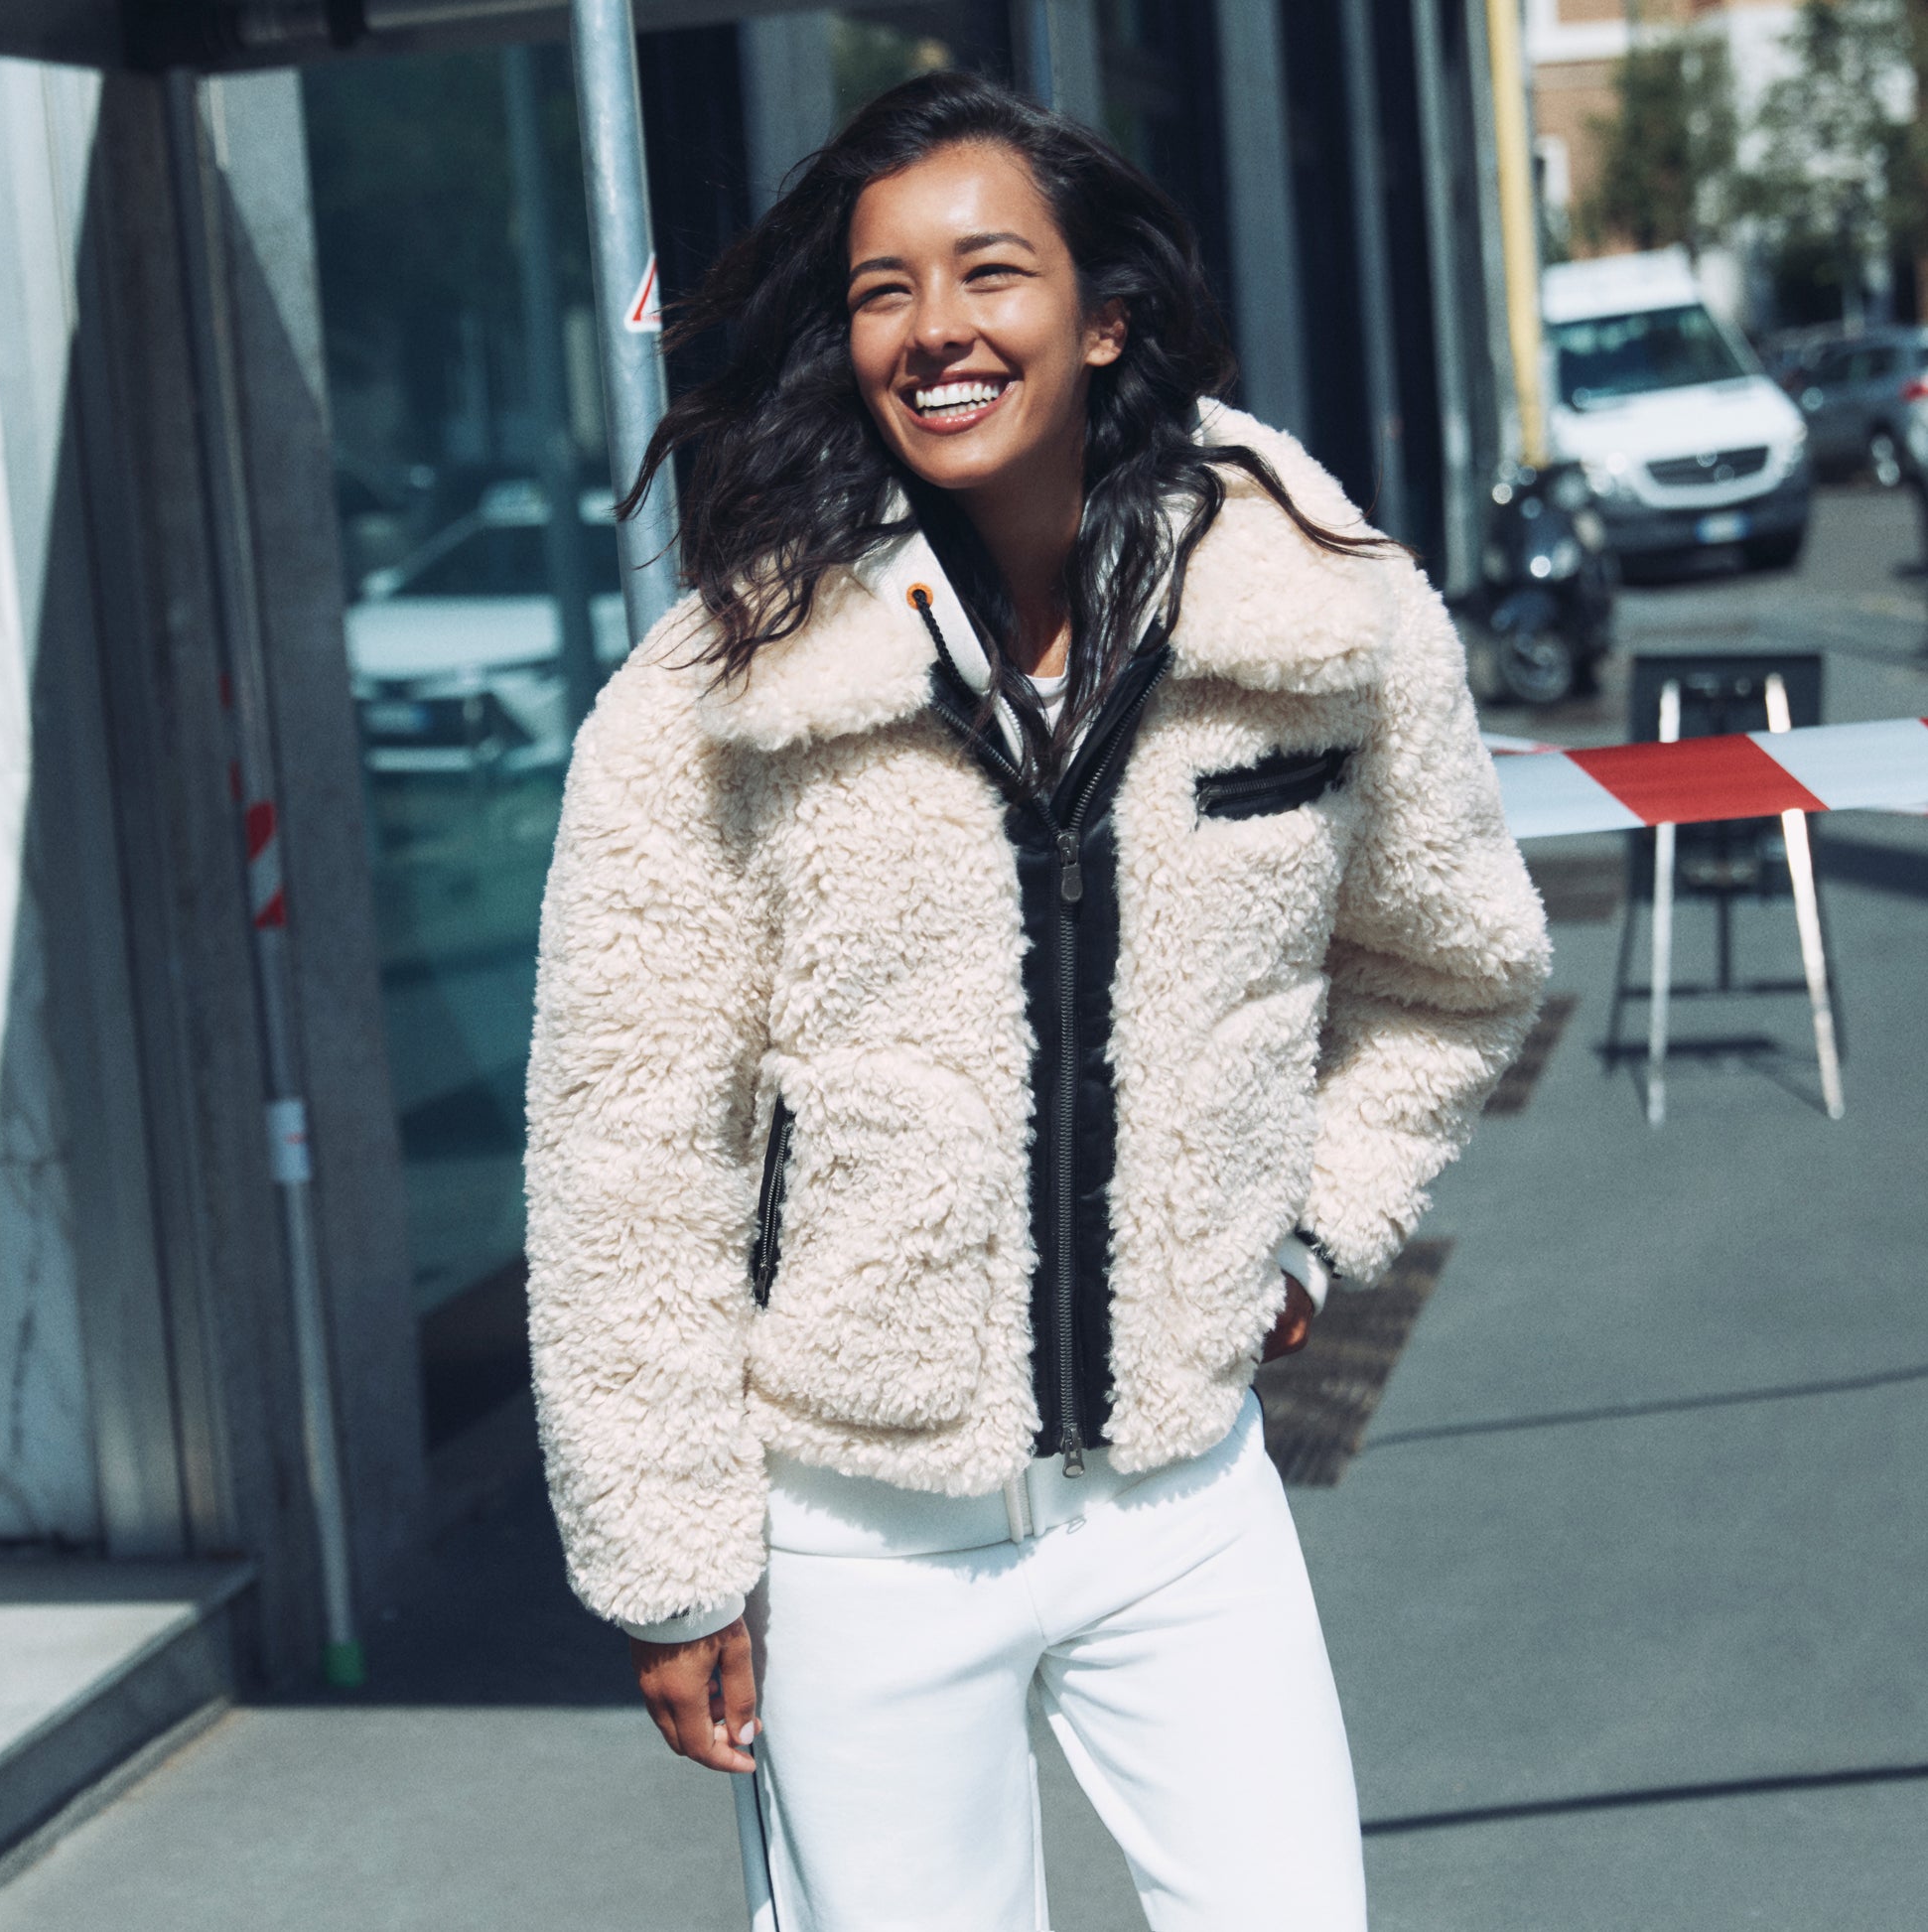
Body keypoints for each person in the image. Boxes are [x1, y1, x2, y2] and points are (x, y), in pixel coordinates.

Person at [525, 69, 1549, 1932]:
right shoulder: (716, 697)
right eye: (879, 291)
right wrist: (672, 1566)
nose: (935, 331)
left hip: (1183, 1501)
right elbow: (628, 1158)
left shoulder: (1314, 621)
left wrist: (1309, 1228)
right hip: (861, 1535)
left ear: (1102, 314)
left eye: (988, 273)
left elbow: (1455, 969)